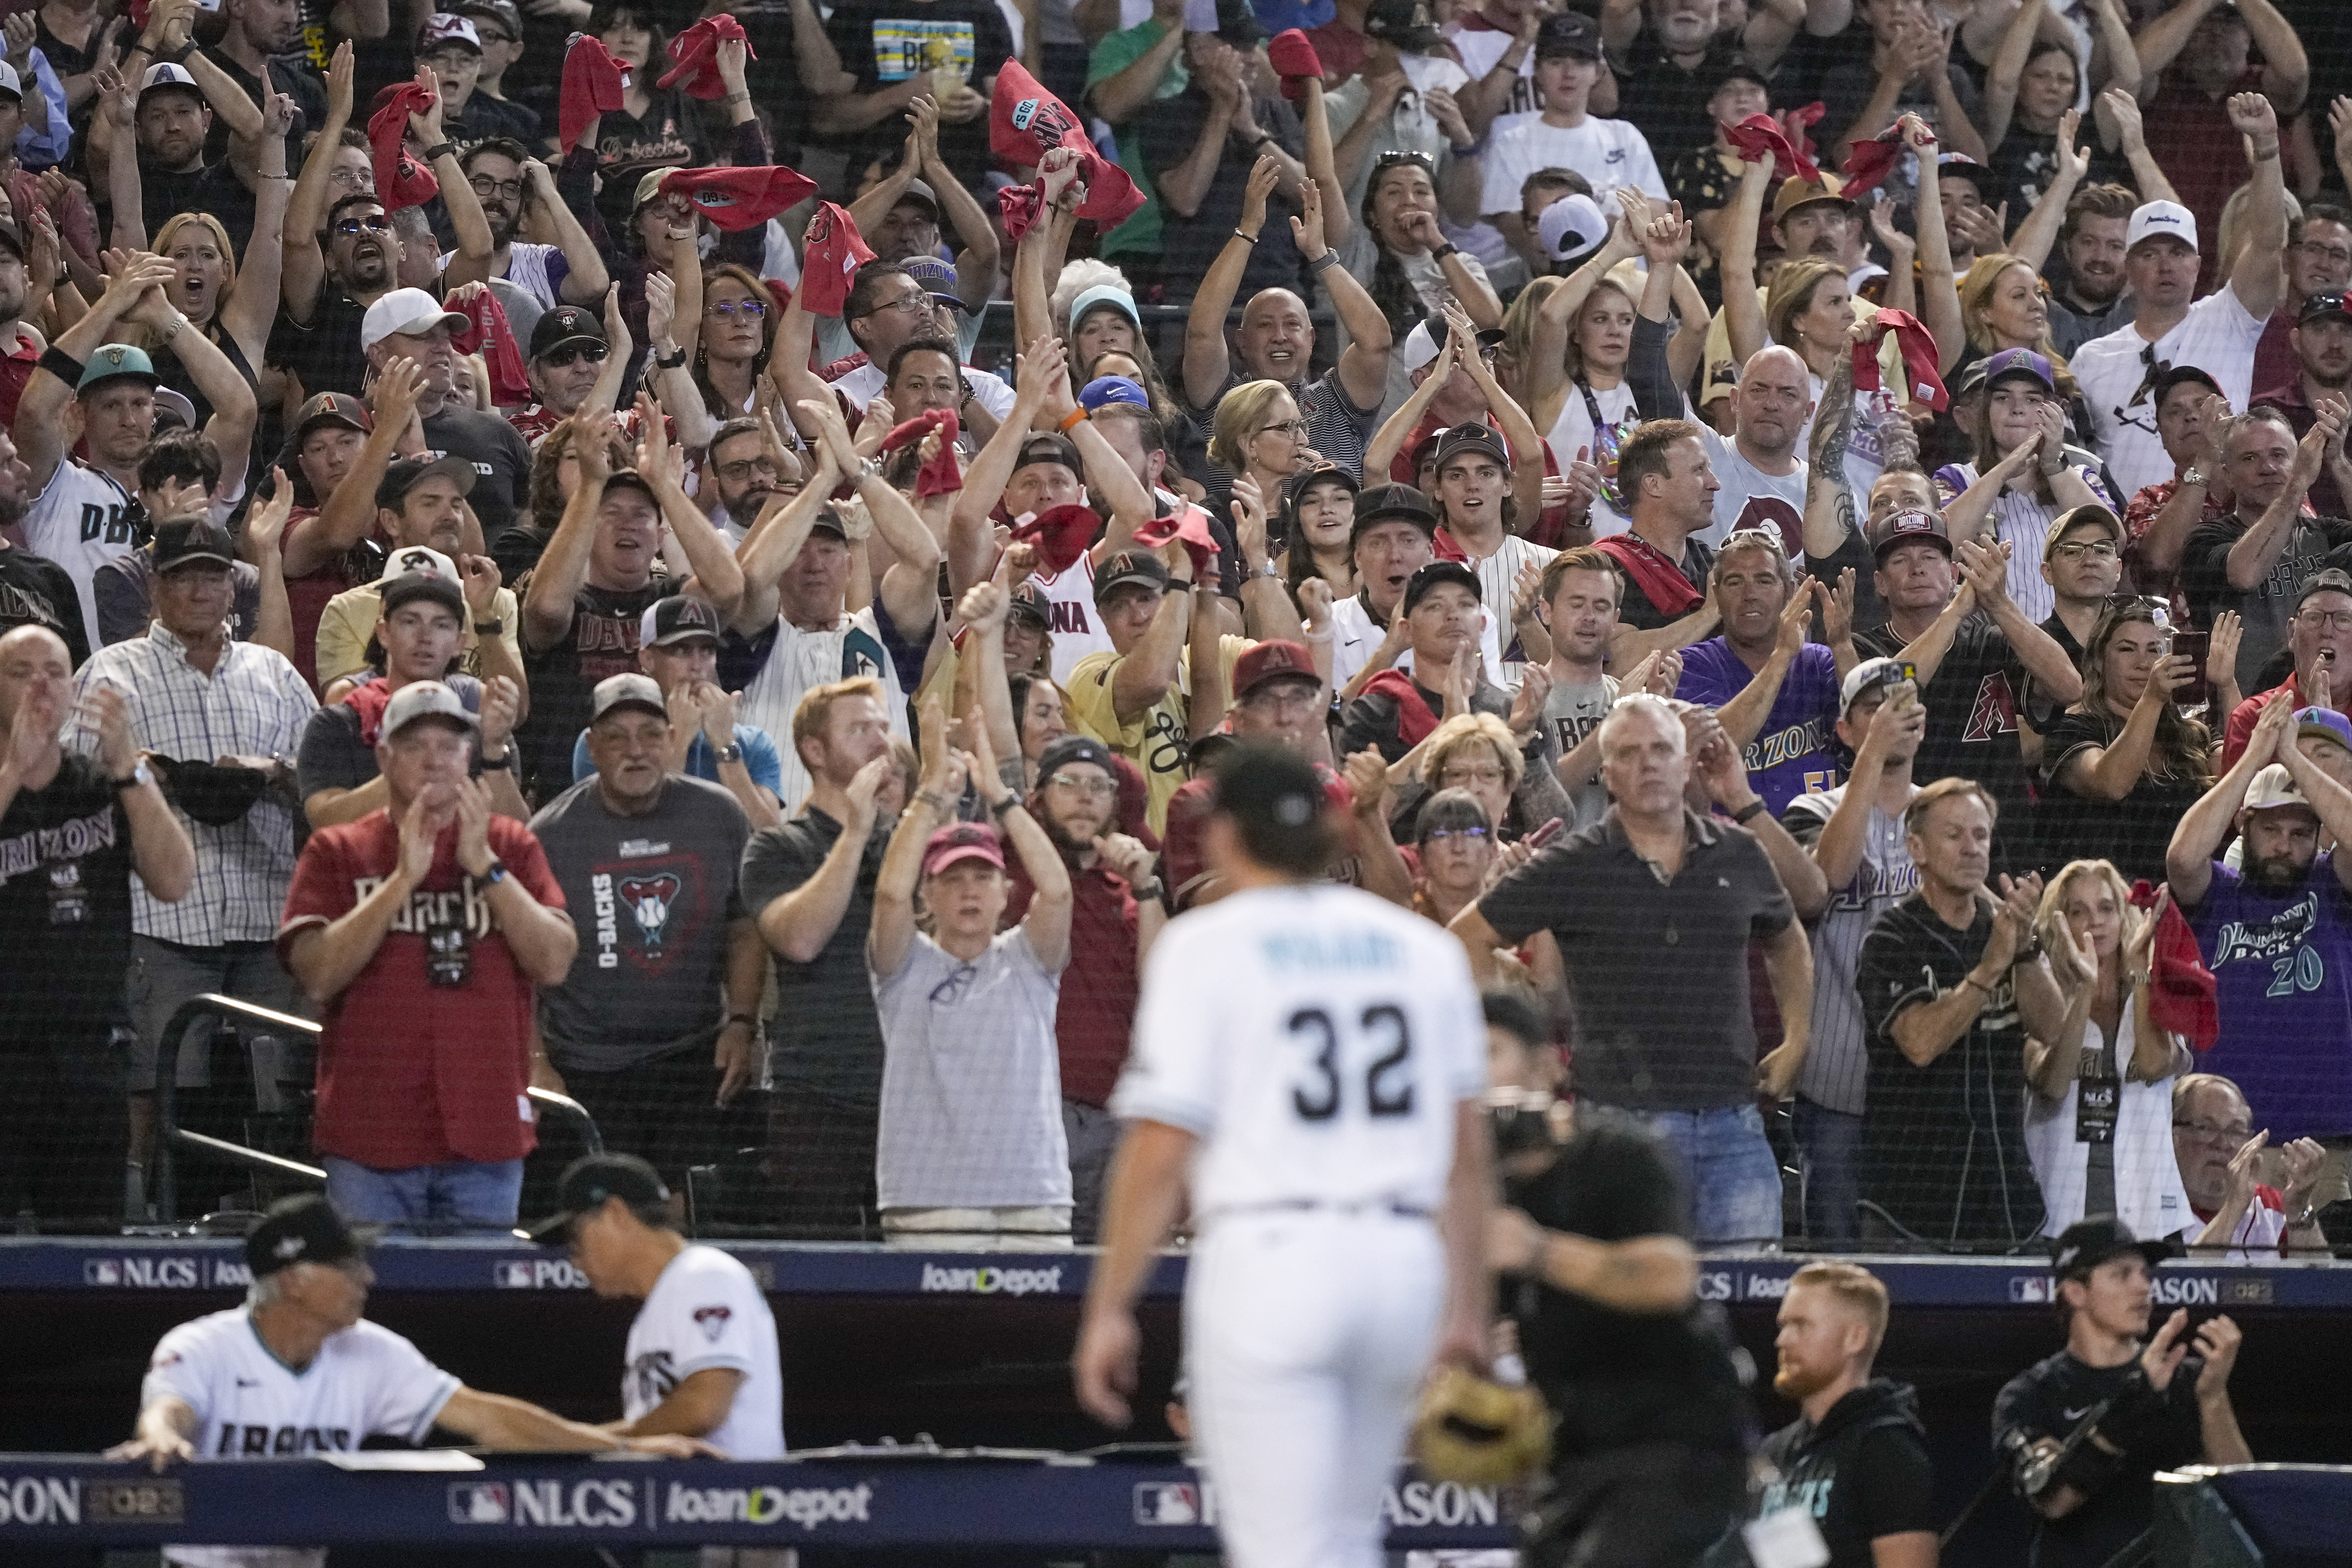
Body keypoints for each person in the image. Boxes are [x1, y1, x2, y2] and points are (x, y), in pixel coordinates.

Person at [1073, 743, 1492, 1568]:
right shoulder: (1421, 948)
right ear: (1335, 828)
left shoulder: (1209, 945)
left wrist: (1110, 1303)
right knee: (1349, 1536)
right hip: (1399, 1264)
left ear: (1226, 836)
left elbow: (1161, 1146)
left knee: (1284, 1550)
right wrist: (1469, 1305)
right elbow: (1467, 1154)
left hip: (1273, 1259)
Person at [110, 1193, 709, 1563]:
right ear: (293, 1278)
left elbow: (486, 1417)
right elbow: (170, 1408)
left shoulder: (369, 1351)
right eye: (347, 1264)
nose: (366, 1275)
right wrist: (161, 1433)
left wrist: (623, 1446)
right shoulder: (206, 1343)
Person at [1450, 693, 1811, 1243]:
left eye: (1662, 749)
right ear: (1607, 772)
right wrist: (1517, 1053)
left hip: (1733, 1124)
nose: (1648, 763)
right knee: (1621, 1306)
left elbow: (1788, 939)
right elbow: (1467, 936)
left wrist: (1799, 1036)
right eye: (1629, 752)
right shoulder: (1573, 864)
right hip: (1617, 1130)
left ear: (1686, 761)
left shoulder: (1738, 852)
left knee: (1753, 1302)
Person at [68, 519, 316, 1216]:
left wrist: (275, 770)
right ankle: (140, 1225)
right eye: (184, 575)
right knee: (152, 1086)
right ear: (155, 586)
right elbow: (70, 783)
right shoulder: (111, 672)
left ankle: (284, 1231)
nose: (202, 588)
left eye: (214, 574)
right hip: (162, 917)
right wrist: (151, 774)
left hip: (267, 911)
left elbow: (328, 781)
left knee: (283, 1097)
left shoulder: (274, 672)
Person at [278, 680, 576, 1229]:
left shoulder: (511, 845)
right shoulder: (338, 849)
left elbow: (554, 961)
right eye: (416, 745)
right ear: (384, 756)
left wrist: (484, 865)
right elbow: (318, 975)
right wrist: (401, 879)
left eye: (450, 745)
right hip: (372, 1132)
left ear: (470, 755)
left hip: (485, 1128)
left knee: (476, 1306)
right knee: (370, 1301)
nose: (435, 759)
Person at [1481, 1028, 1746, 1568]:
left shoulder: (1617, 1154)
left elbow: (1669, 1280)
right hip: (1572, 1460)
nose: (1476, 1070)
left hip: (1672, 1447)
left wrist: (1536, 1249)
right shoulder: (1480, 1185)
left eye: (1490, 1050)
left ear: (1547, 1066)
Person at [530, 673, 761, 1193]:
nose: (636, 750)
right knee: (602, 1226)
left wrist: (743, 1022)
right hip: (588, 1067)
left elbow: (744, 925)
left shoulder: (719, 814)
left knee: (688, 1218)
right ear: (591, 745)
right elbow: (517, 962)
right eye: (617, 736)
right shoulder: (550, 835)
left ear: (673, 737)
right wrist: (536, 1061)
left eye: (651, 734)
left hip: (693, 1060)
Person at [0, 625, 193, 1224]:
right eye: (21, 671)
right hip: (6, 1047)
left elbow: (174, 879)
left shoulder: (103, 786)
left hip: (88, 1048)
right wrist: (14, 772)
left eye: (55, 672)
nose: (41, 685)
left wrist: (128, 769)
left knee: (88, 1240)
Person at [869, 705, 1074, 1247]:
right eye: (952, 877)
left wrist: (1002, 797)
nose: (968, 889)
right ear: (927, 894)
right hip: (928, 1198)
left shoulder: (1028, 960)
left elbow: (1057, 891)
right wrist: (930, 791)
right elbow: (889, 893)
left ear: (1006, 891)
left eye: (983, 876)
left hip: (1032, 1194)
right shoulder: (902, 966)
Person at [1853, 777, 2061, 1248]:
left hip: (2005, 1199)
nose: (1972, 849)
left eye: (1981, 835)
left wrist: (2025, 948)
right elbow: (1921, 1045)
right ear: (1917, 848)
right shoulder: (1891, 937)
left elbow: (2053, 1029)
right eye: (1954, 835)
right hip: (1913, 1203)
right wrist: (1990, 968)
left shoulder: (2006, 929)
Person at [1992, 1216, 2250, 1568]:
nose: (2143, 1286)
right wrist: (2136, 1400)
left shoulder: (2185, 1377)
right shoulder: (2030, 1393)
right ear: (2076, 1291)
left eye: (2145, 1274)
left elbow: (2240, 1496)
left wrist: (2213, 1395)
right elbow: (2052, 1498)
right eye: (2122, 1274)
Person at [740, 676, 899, 1236]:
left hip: (909, 1098)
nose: (880, 742)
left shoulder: (908, 842)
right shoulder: (780, 847)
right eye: (859, 730)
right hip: (817, 1098)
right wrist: (855, 832)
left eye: (883, 727)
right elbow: (799, 939)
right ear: (813, 750)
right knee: (817, 1278)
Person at [2071, 106, 2290, 504]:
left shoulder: (2229, 318)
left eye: (2177, 252)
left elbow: (2267, 242)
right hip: (2131, 543)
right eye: (2150, 253)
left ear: (2197, 265)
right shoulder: (2091, 359)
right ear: (2129, 267)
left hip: (2226, 530)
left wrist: (2267, 150)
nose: (2166, 264)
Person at [2166, 691, 2352, 1151]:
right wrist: (2254, 756)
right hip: (2224, 1135)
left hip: (2327, 1134)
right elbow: (2182, 858)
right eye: (2270, 829)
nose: (2284, 846)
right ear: (2244, 827)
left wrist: (2290, 754)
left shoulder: (2333, 888)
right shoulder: (2219, 894)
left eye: (2299, 833)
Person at [1783, 658, 1927, 1244]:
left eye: (1903, 703)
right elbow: (1827, 880)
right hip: (1836, 1078)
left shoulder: (1948, 813)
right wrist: (1872, 756)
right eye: (1875, 707)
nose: (1893, 714)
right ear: (1844, 730)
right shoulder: (1809, 809)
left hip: (1926, 1081)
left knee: (1921, 1261)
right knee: (1836, 1252)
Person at [1005, 727, 1166, 1245]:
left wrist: (1146, 886)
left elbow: (1161, 982)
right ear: (1037, 798)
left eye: (1099, 786)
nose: (1084, 796)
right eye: (1069, 782)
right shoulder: (1008, 863)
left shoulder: (1133, 889)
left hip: (1112, 1118)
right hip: (1023, 1113)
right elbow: (1005, 759)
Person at [527, 1154, 784, 1468]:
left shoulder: (704, 1274)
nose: (574, 1260)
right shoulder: (661, 1303)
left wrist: (597, 1445)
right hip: (692, 1500)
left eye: (575, 1239)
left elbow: (704, 1407)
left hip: (734, 1501)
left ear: (615, 1214)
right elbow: (654, 1429)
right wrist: (581, 1443)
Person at [2023, 859, 2197, 1240]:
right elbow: (2051, 1084)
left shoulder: (2158, 987)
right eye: (2078, 910)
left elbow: (2154, 1065)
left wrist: (2139, 972)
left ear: (2124, 916)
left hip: (2150, 1212)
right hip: (2059, 1209)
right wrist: (2083, 990)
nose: (2095, 921)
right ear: (2060, 922)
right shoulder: (2040, 990)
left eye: (2106, 908)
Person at [295, 547, 528, 831]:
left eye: (441, 625)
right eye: (410, 621)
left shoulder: (484, 729)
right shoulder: (339, 724)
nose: (425, 637)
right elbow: (323, 820)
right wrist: (404, 768)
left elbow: (516, 832)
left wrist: (492, 751)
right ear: (383, 632)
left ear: (460, 642)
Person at [1754, 1262, 1938, 1568]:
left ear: (1855, 1338)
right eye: (1783, 1325)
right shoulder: (1775, 1451)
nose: (1782, 1340)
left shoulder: (1887, 1450)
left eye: (1801, 1325)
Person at [2035, 597, 2214, 883]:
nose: (2143, 664)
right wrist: (2153, 698)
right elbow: (2112, 784)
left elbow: (2239, 780)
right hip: (2101, 900)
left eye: (2155, 650)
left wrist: (2227, 684)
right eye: (2127, 649)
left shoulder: (2187, 729)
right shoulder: (2072, 728)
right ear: (2100, 662)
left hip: (2182, 895)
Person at [568, 595, 783, 830]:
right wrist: (678, 740)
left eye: (707, 651)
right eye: (682, 651)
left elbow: (769, 843)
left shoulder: (753, 743)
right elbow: (632, 836)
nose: (697, 666)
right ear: (647, 659)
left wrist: (724, 742)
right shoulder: (610, 743)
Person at [1673, 528, 1849, 814]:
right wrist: (1782, 657)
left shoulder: (1821, 663)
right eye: (1734, 582)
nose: (1750, 594)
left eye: (1764, 580)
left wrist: (1842, 646)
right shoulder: (1692, 666)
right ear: (1716, 595)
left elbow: (1874, 732)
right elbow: (1715, 750)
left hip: (1820, 841)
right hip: (1734, 848)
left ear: (1789, 591)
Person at [2182, 411, 2352, 698]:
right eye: (2250, 458)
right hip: (2242, 715)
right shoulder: (2205, 541)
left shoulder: (2327, 534)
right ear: (2227, 474)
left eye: (2279, 454)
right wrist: (2297, 483)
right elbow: (2245, 575)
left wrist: (2338, 462)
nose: (2268, 468)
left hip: (2330, 714)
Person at [2170, 1072, 2329, 1254]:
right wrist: (2234, 1207)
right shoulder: (2148, 1209)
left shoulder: (2274, 1207)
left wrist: (2298, 1210)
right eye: (2205, 1128)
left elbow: (2320, 1281)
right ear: (2173, 1136)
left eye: (2236, 1131)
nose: (2222, 1144)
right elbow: (2186, 1281)